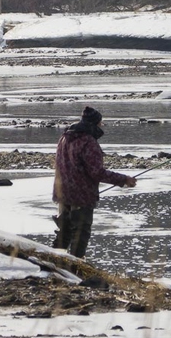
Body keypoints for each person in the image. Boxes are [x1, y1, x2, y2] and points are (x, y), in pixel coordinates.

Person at [52, 106, 137, 258]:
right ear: (95, 123)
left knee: (64, 233)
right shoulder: (89, 142)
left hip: (62, 192)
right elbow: (97, 172)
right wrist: (124, 179)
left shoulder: (65, 138)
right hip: (81, 196)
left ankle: (54, 263)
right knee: (80, 234)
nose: (101, 126)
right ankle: (75, 267)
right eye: (100, 123)